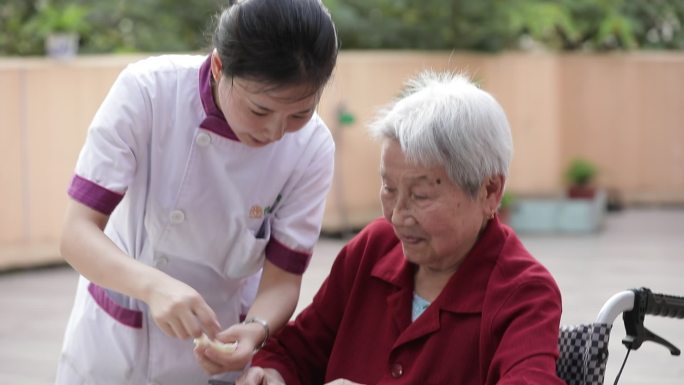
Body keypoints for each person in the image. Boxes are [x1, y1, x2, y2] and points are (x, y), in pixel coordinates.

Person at [55, 0, 338, 384]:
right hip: (116, 340)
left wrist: (256, 329)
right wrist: (153, 286)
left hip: (217, 339)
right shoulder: (148, 92)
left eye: (299, 114)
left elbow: (283, 279)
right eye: (259, 110)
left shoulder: (312, 148)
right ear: (219, 67)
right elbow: (76, 234)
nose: (274, 132)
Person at [220, 71, 565, 384]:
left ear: (490, 190)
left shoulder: (524, 294)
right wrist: (270, 375)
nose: (398, 215)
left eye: (421, 195)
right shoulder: (373, 249)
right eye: (388, 188)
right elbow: (298, 349)